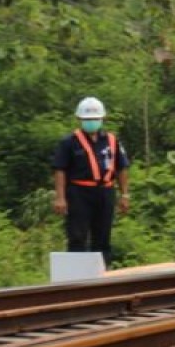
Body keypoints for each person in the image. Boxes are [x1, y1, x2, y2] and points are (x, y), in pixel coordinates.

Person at [52, 96, 130, 266]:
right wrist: (60, 197)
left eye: (95, 118)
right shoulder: (69, 142)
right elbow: (60, 169)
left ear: (102, 118)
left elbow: (122, 167)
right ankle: (77, 275)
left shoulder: (111, 140)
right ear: (79, 119)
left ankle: (102, 273)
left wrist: (125, 195)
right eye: (87, 119)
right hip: (79, 193)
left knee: (103, 237)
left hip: (105, 192)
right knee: (77, 236)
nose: (91, 122)